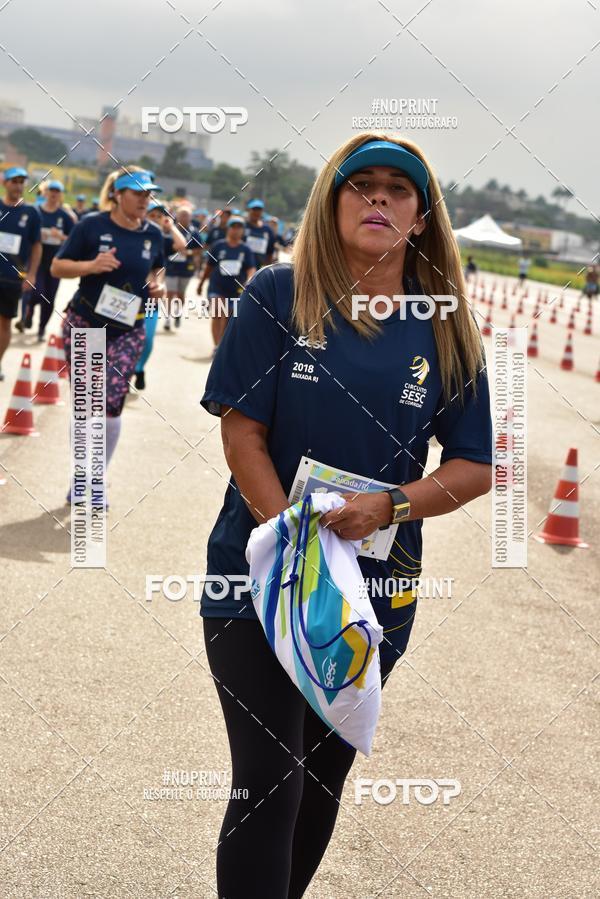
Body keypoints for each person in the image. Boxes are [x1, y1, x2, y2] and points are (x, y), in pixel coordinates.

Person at [199, 134, 493, 898]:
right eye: (360, 186)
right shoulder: (276, 293)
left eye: (398, 189)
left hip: (376, 595)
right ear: (331, 205)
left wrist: (391, 503)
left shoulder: (445, 324)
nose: (378, 200)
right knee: (273, 780)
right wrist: (295, 544)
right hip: (262, 573)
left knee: (321, 783)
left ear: (422, 218)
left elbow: (473, 467)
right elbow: (242, 432)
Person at [51, 167, 164, 505]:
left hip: (128, 329)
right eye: (138, 193)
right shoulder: (91, 226)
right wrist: (90, 266)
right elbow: (58, 266)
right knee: (87, 406)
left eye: (148, 194)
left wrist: (157, 284)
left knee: (112, 406)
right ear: (117, 193)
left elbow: (156, 268)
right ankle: (81, 475)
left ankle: (95, 478)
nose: (145, 200)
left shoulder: (154, 234)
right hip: (86, 322)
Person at [134, 201, 187, 389]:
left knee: (147, 339)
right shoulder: (135, 234)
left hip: (152, 298)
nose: (156, 219)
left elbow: (182, 246)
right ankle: (123, 372)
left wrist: (171, 227)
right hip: (130, 297)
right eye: (152, 215)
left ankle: (139, 368)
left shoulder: (161, 239)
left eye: (159, 216)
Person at [17, 180, 74, 341]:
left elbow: (73, 239)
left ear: (61, 194)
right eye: (51, 190)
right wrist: (37, 236)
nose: (54, 194)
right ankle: (29, 311)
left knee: (49, 298)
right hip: (36, 260)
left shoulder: (65, 216)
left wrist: (60, 236)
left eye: (57, 191)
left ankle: (42, 328)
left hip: (55, 262)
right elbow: (24, 234)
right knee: (36, 291)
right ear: (45, 192)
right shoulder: (35, 212)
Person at [0, 166, 41, 380]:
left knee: (5, 322)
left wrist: (32, 275)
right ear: (4, 183)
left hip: (12, 278)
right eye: (13, 181)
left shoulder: (31, 213)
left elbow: (36, 246)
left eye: (21, 182)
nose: (17, 186)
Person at [197, 216, 255, 351]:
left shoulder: (245, 250)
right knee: (219, 312)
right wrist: (201, 283)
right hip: (217, 287)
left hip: (235, 290)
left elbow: (251, 268)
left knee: (228, 318)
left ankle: (222, 345)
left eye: (239, 228)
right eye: (233, 227)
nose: (236, 230)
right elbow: (209, 267)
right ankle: (217, 346)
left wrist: (250, 279)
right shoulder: (219, 246)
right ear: (228, 229)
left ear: (243, 231)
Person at [163, 205, 201, 331]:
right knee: (170, 293)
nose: (184, 217)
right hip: (171, 265)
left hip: (186, 267)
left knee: (180, 294)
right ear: (177, 216)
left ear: (190, 217)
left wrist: (188, 253)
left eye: (187, 215)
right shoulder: (170, 229)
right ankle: (167, 318)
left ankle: (178, 313)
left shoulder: (194, 232)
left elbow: (198, 249)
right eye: (182, 214)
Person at [244, 198, 275, 269]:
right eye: (254, 209)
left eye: (259, 210)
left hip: (259, 268)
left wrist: (267, 269)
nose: (256, 212)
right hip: (242, 268)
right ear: (249, 210)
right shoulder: (242, 226)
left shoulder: (267, 230)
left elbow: (270, 252)